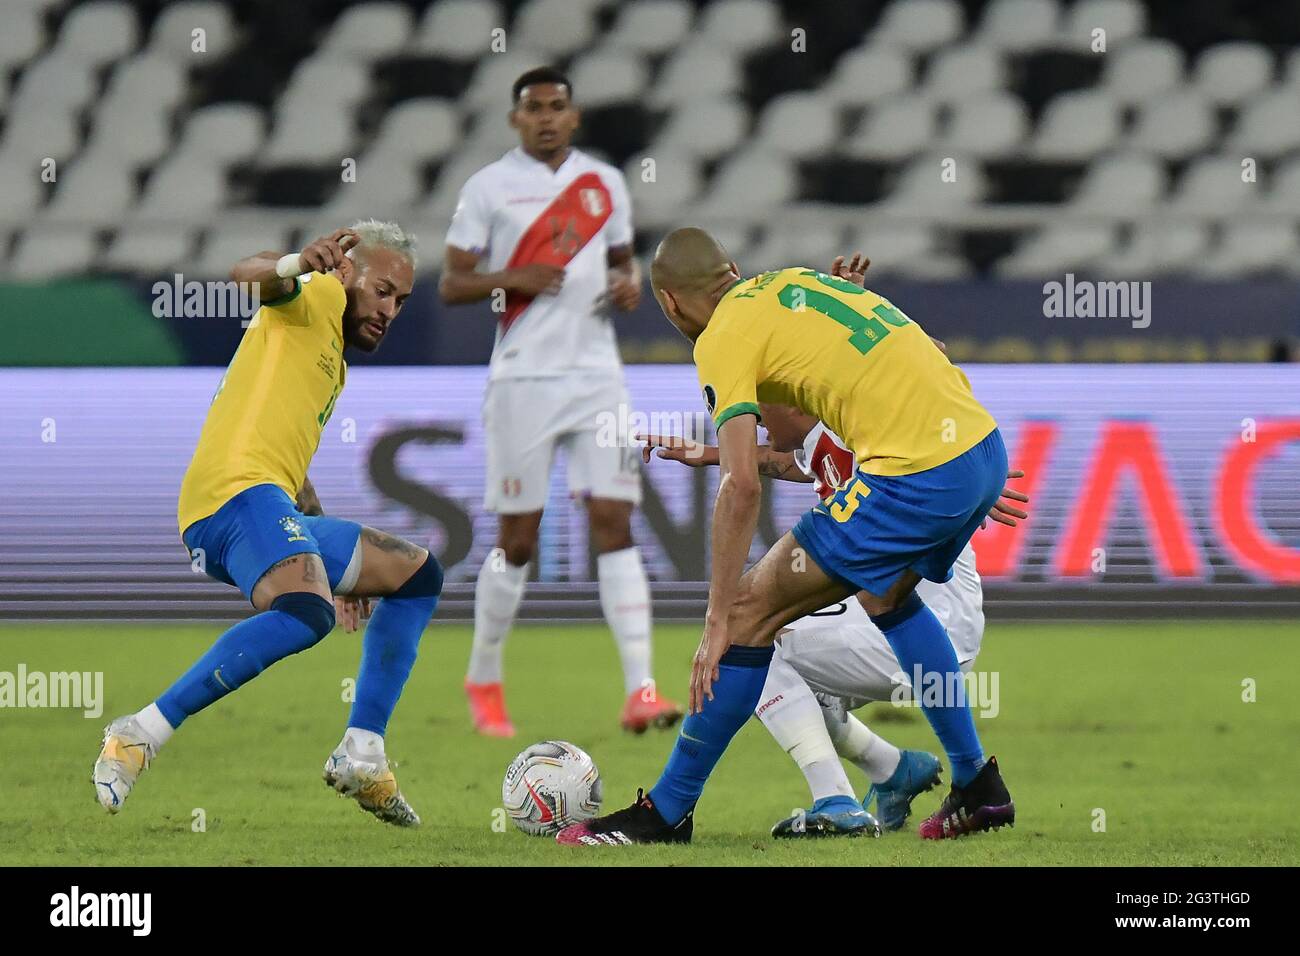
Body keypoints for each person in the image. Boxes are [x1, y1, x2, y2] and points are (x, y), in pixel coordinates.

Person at [558, 232, 1018, 846]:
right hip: (980, 447)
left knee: (752, 613)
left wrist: (718, 614)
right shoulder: (793, 284)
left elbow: (740, 487)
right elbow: (922, 349)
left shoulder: (721, 337)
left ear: (669, 303)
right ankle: (976, 784)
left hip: (914, 471)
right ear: (734, 271)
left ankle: (666, 813)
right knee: (887, 597)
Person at [92, 221, 441, 827]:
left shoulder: (331, 359)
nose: (389, 311)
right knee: (309, 612)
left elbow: (292, 474)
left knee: (414, 574)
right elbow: (245, 275)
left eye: (402, 301)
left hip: (264, 501)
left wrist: (329, 553)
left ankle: (364, 750)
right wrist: (293, 264)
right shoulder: (317, 297)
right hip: (229, 496)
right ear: (347, 274)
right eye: (382, 291)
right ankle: (139, 733)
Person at [440, 67, 680, 736]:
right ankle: (484, 673)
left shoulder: (603, 184)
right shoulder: (488, 187)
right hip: (522, 377)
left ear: (574, 117)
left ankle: (642, 689)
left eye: (557, 107)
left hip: (598, 375)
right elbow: (452, 285)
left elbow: (619, 266)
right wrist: (514, 276)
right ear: (516, 119)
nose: (546, 118)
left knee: (615, 520)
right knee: (517, 539)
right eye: (534, 108)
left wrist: (627, 286)